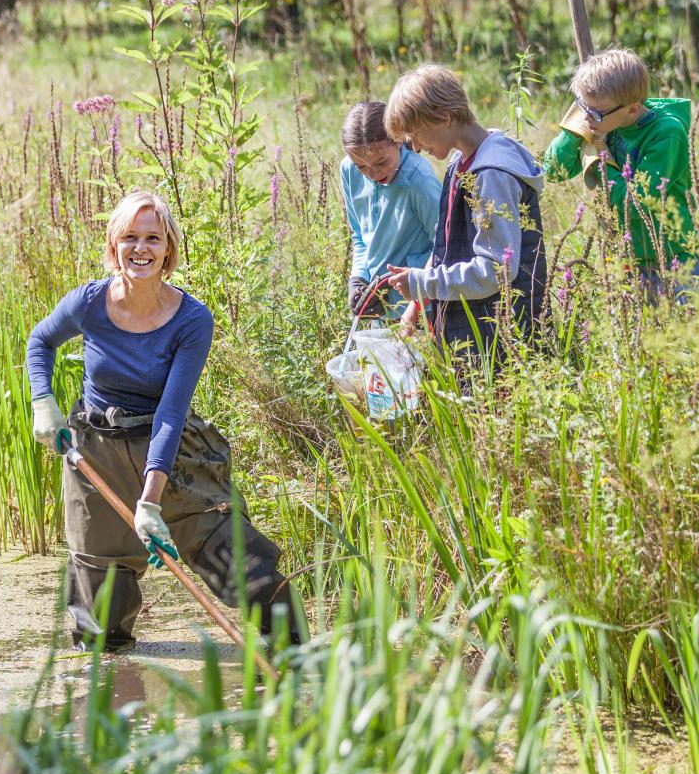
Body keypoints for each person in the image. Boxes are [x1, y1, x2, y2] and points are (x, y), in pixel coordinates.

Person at [26, 189, 304, 652]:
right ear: (114, 246)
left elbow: (171, 415)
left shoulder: (191, 320)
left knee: (237, 561)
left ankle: (299, 654)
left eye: (153, 238)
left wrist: (151, 502)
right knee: (98, 618)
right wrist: (43, 401)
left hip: (171, 453)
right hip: (95, 451)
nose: (141, 248)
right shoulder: (88, 303)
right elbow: (40, 340)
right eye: (130, 237)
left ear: (169, 249)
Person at [382, 63, 547, 362]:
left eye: (416, 136)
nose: (416, 148)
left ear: (444, 118)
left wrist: (422, 282)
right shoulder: (460, 165)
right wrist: (416, 305)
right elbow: (446, 246)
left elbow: (496, 270)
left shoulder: (491, 174)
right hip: (472, 334)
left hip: (502, 339)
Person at [542, 48, 696, 292]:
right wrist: (576, 129)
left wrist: (599, 157)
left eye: (595, 112)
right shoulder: (604, 121)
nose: (588, 118)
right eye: (583, 107)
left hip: (677, 261)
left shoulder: (667, 134)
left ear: (632, 110)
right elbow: (553, 170)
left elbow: (637, 203)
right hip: (628, 264)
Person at [340, 101, 442, 320]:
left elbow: (446, 245)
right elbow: (359, 235)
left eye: (381, 161)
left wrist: (393, 282)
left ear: (397, 140)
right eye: (362, 166)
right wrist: (358, 278)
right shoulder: (348, 170)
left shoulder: (418, 180)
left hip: (423, 310)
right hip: (381, 310)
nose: (373, 173)